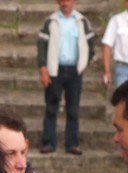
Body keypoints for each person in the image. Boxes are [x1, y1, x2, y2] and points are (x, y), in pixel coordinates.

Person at [37, 0, 95, 156]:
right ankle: (49, 142)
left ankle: (72, 144)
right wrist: (43, 68)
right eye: (62, 0)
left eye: (68, 0)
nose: (65, 3)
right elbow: (41, 46)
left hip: (74, 71)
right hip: (55, 70)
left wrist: (84, 63)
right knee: (51, 107)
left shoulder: (82, 21)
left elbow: (91, 44)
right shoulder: (50, 21)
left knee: (73, 109)